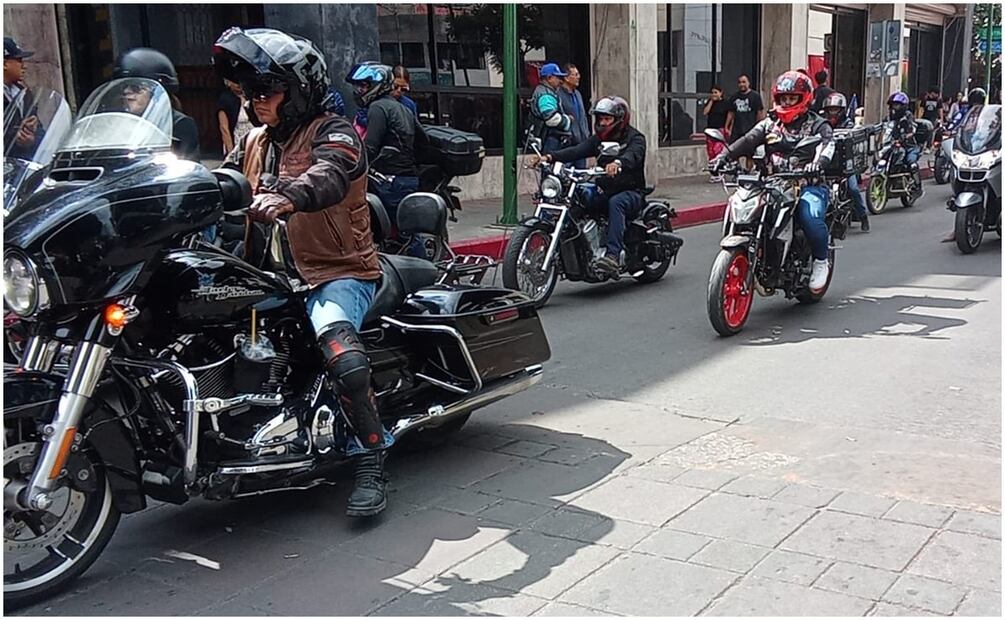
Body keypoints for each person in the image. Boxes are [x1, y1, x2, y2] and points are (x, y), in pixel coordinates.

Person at [213, 27, 391, 517]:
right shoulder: (253, 141)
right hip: (263, 274)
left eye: (267, 90)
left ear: (297, 91)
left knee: (341, 354)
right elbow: (219, 182)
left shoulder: (334, 132)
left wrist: (288, 195)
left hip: (335, 271)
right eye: (251, 92)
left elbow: (330, 173)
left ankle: (370, 457)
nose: (256, 100)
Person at [713, 70, 835, 293]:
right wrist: (723, 156)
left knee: (808, 215)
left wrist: (818, 163)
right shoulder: (770, 123)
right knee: (746, 206)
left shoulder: (818, 125)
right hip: (771, 183)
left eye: (792, 98)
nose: (787, 103)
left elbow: (828, 145)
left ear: (805, 98)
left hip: (808, 184)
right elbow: (748, 140)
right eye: (783, 98)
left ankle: (820, 260)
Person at [533, 96, 683, 276]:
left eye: (607, 119)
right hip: (605, 189)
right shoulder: (598, 140)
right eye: (600, 119)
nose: (603, 123)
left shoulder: (635, 138)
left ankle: (612, 256)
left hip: (630, 192)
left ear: (620, 119)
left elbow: (633, 155)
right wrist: (549, 157)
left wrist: (618, 163)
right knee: (579, 198)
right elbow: (577, 150)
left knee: (616, 203)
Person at [345, 61, 425, 226]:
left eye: (364, 86)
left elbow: (370, 147)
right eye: (358, 86)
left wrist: (348, 169)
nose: (359, 91)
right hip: (407, 178)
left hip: (390, 181)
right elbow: (422, 139)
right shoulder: (402, 108)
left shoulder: (378, 107)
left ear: (377, 86)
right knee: (404, 230)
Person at [113, 47, 200, 161]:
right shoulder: (119, 122)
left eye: (136, 87)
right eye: (124, 86)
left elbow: (186, 165)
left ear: (157, 93)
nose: (127, 91)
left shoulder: (179, 124)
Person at [821, 92, 869, 232]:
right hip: (826, 163)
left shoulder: (848, 124)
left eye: (835, 109)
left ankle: (863, 216)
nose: (832, 113)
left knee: (853, 188)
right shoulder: (822, 124)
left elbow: (852, 135)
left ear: (841, 110)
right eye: (830, 110)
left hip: (845, 165)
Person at [3, 37, 41, 158]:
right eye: (19, 60)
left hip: (23, 163)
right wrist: (15, 135)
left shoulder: (24, 93)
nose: (24, 66)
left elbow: (41, 132)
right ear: (4, 64)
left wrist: (33, 134)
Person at [527, 62, 572, 152]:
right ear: (549, 78)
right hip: (549, 140)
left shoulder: (545, 92)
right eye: (558, 77)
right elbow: (551, 119)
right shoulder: (545, 95)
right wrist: (567, 120)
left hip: (549, 140)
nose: (561, 81)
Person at [725, 74, 765, 171]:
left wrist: (760, 127)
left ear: (748, 83)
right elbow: (731, 112)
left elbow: (759, 112)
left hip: (750, 129)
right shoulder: (734, 97)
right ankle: (737, 171)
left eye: (744, 82)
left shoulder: (755, 96)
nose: (741, 84)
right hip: (737, 130)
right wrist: (727, 126)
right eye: (739, 82)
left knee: (750, 155)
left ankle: (748, 172)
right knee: (734, 152)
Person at [557, 62, 590, 169]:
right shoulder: (558, 95)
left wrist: (586, 134)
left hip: (581, 145)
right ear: (566, 78)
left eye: (578, 74)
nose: (578, 77)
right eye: (575, 75)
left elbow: (583, 117)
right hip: (567, 144)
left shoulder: (578, 94)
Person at [217, 78, 258, 156]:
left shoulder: (250, 96)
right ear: (228, 83)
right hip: (237, 141)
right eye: (234, 81)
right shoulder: (226, 99)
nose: (238, 84)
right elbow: (224, 128)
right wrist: (231, 152)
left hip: (253, 140)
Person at [703, 85, 731, 182]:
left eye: (716, 92)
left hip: (720, 129)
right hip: (710, 130)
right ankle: (713, 172)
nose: (714, 94)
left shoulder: (725, 103)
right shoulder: (710, 103)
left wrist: (727, 127)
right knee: (711, 151)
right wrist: (711, 101)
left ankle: (720, 171)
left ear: (721, 93)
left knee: (718, 151)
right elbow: (705, 112)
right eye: (712, 93)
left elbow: (730, 115)